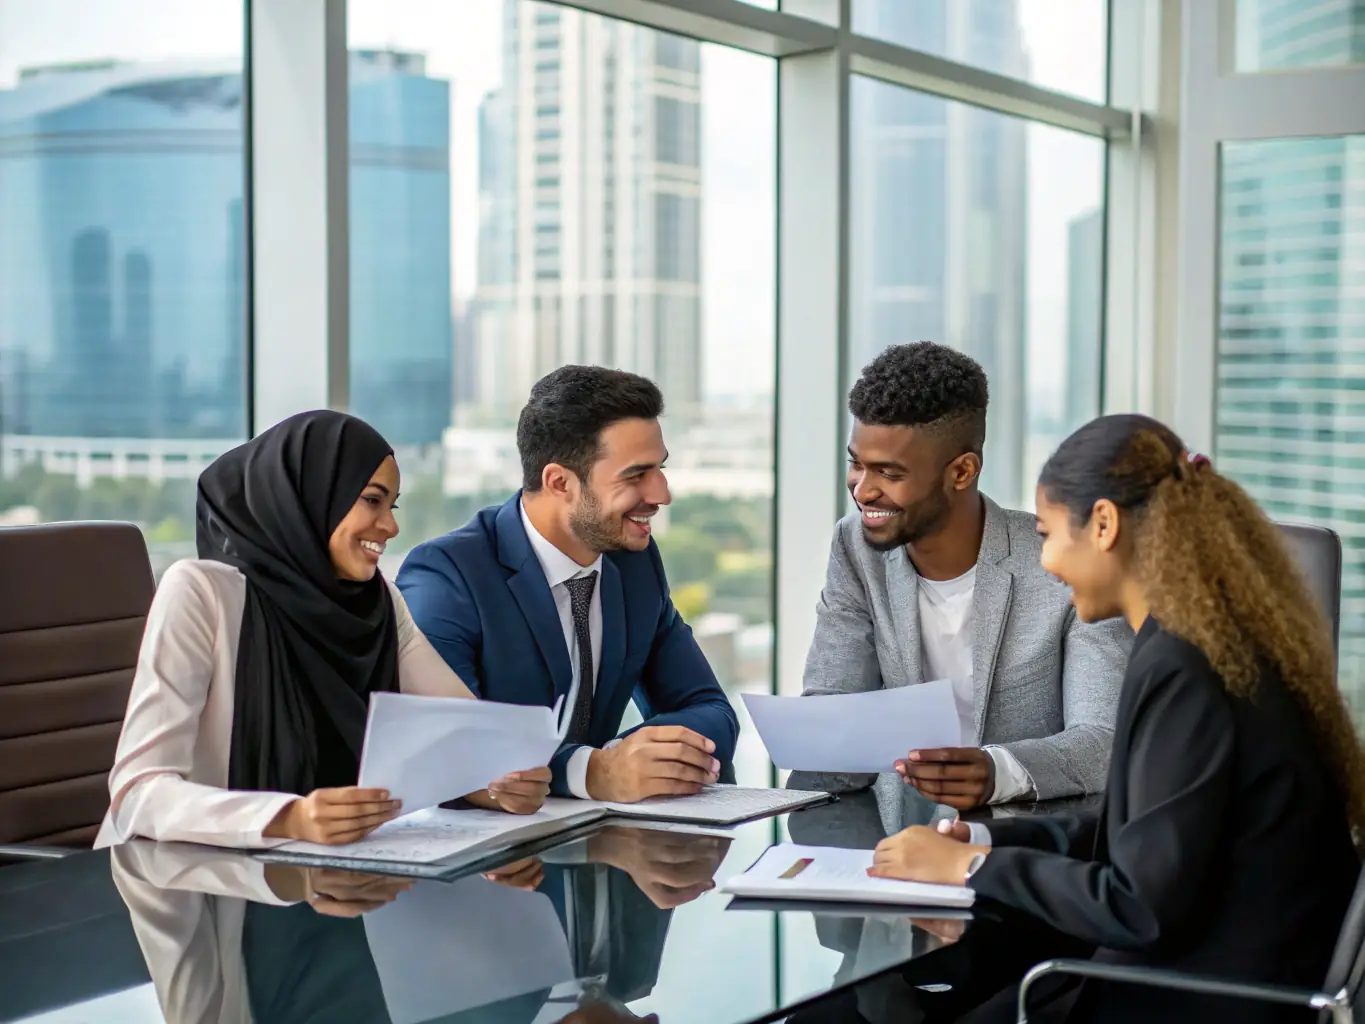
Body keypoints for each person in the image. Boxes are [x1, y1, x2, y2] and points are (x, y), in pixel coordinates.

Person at [867, 414, 1363, 1023]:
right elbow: (1144, 834)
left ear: (1103, 524)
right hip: (1230, 970)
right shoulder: (1213, 641)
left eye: (1049, 533)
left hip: (1205, 996)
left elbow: (1140, 904)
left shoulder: (1186, 666)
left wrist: (972, 868)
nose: (1047, 562)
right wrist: (988, 839)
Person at [95, 410, 551, 851]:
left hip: (329, 885)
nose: (391, 526)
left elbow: (471, 735)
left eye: (391, 506)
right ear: (311, 495)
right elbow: (139, 794)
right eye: (371, 500)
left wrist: (495, 785)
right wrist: (290, 819)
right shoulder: (202, 592)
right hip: (188, 886)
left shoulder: (379, 603)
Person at [795, 342, 1129, 810]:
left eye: (889, 473)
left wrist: (997, 772)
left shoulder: (1063, 561)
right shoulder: (855, 547)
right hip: (901, 836)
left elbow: (1106, 740)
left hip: (1036, 843)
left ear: (962, 471)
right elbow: (831, 713)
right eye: (856, 463)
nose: (863, 489)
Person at [397, 366, 739, 802]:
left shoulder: (634, 564)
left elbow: (711, 711)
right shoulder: (448, 574)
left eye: (660, 469)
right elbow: (445, 744)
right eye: (636, 475)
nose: (662, 493)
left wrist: (625, 757)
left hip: (596, 848)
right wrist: (590, 771)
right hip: (489, 859)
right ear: (559, 482)